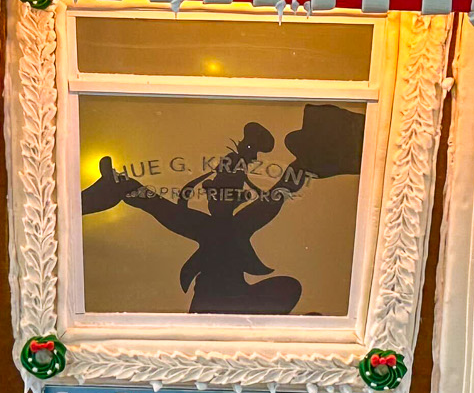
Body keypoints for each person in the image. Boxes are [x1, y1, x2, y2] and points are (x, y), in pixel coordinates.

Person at [85, 123, 310, 313]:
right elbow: (158, 206)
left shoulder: (233, 224)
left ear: (237, 199)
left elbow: (278, 194)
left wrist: (302, 165)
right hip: (209, 302)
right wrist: (124, 186)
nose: (216, 198)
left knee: (288, 287)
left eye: (224, 193)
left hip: (227, 300)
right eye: (214, 193)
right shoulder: (213, 225)